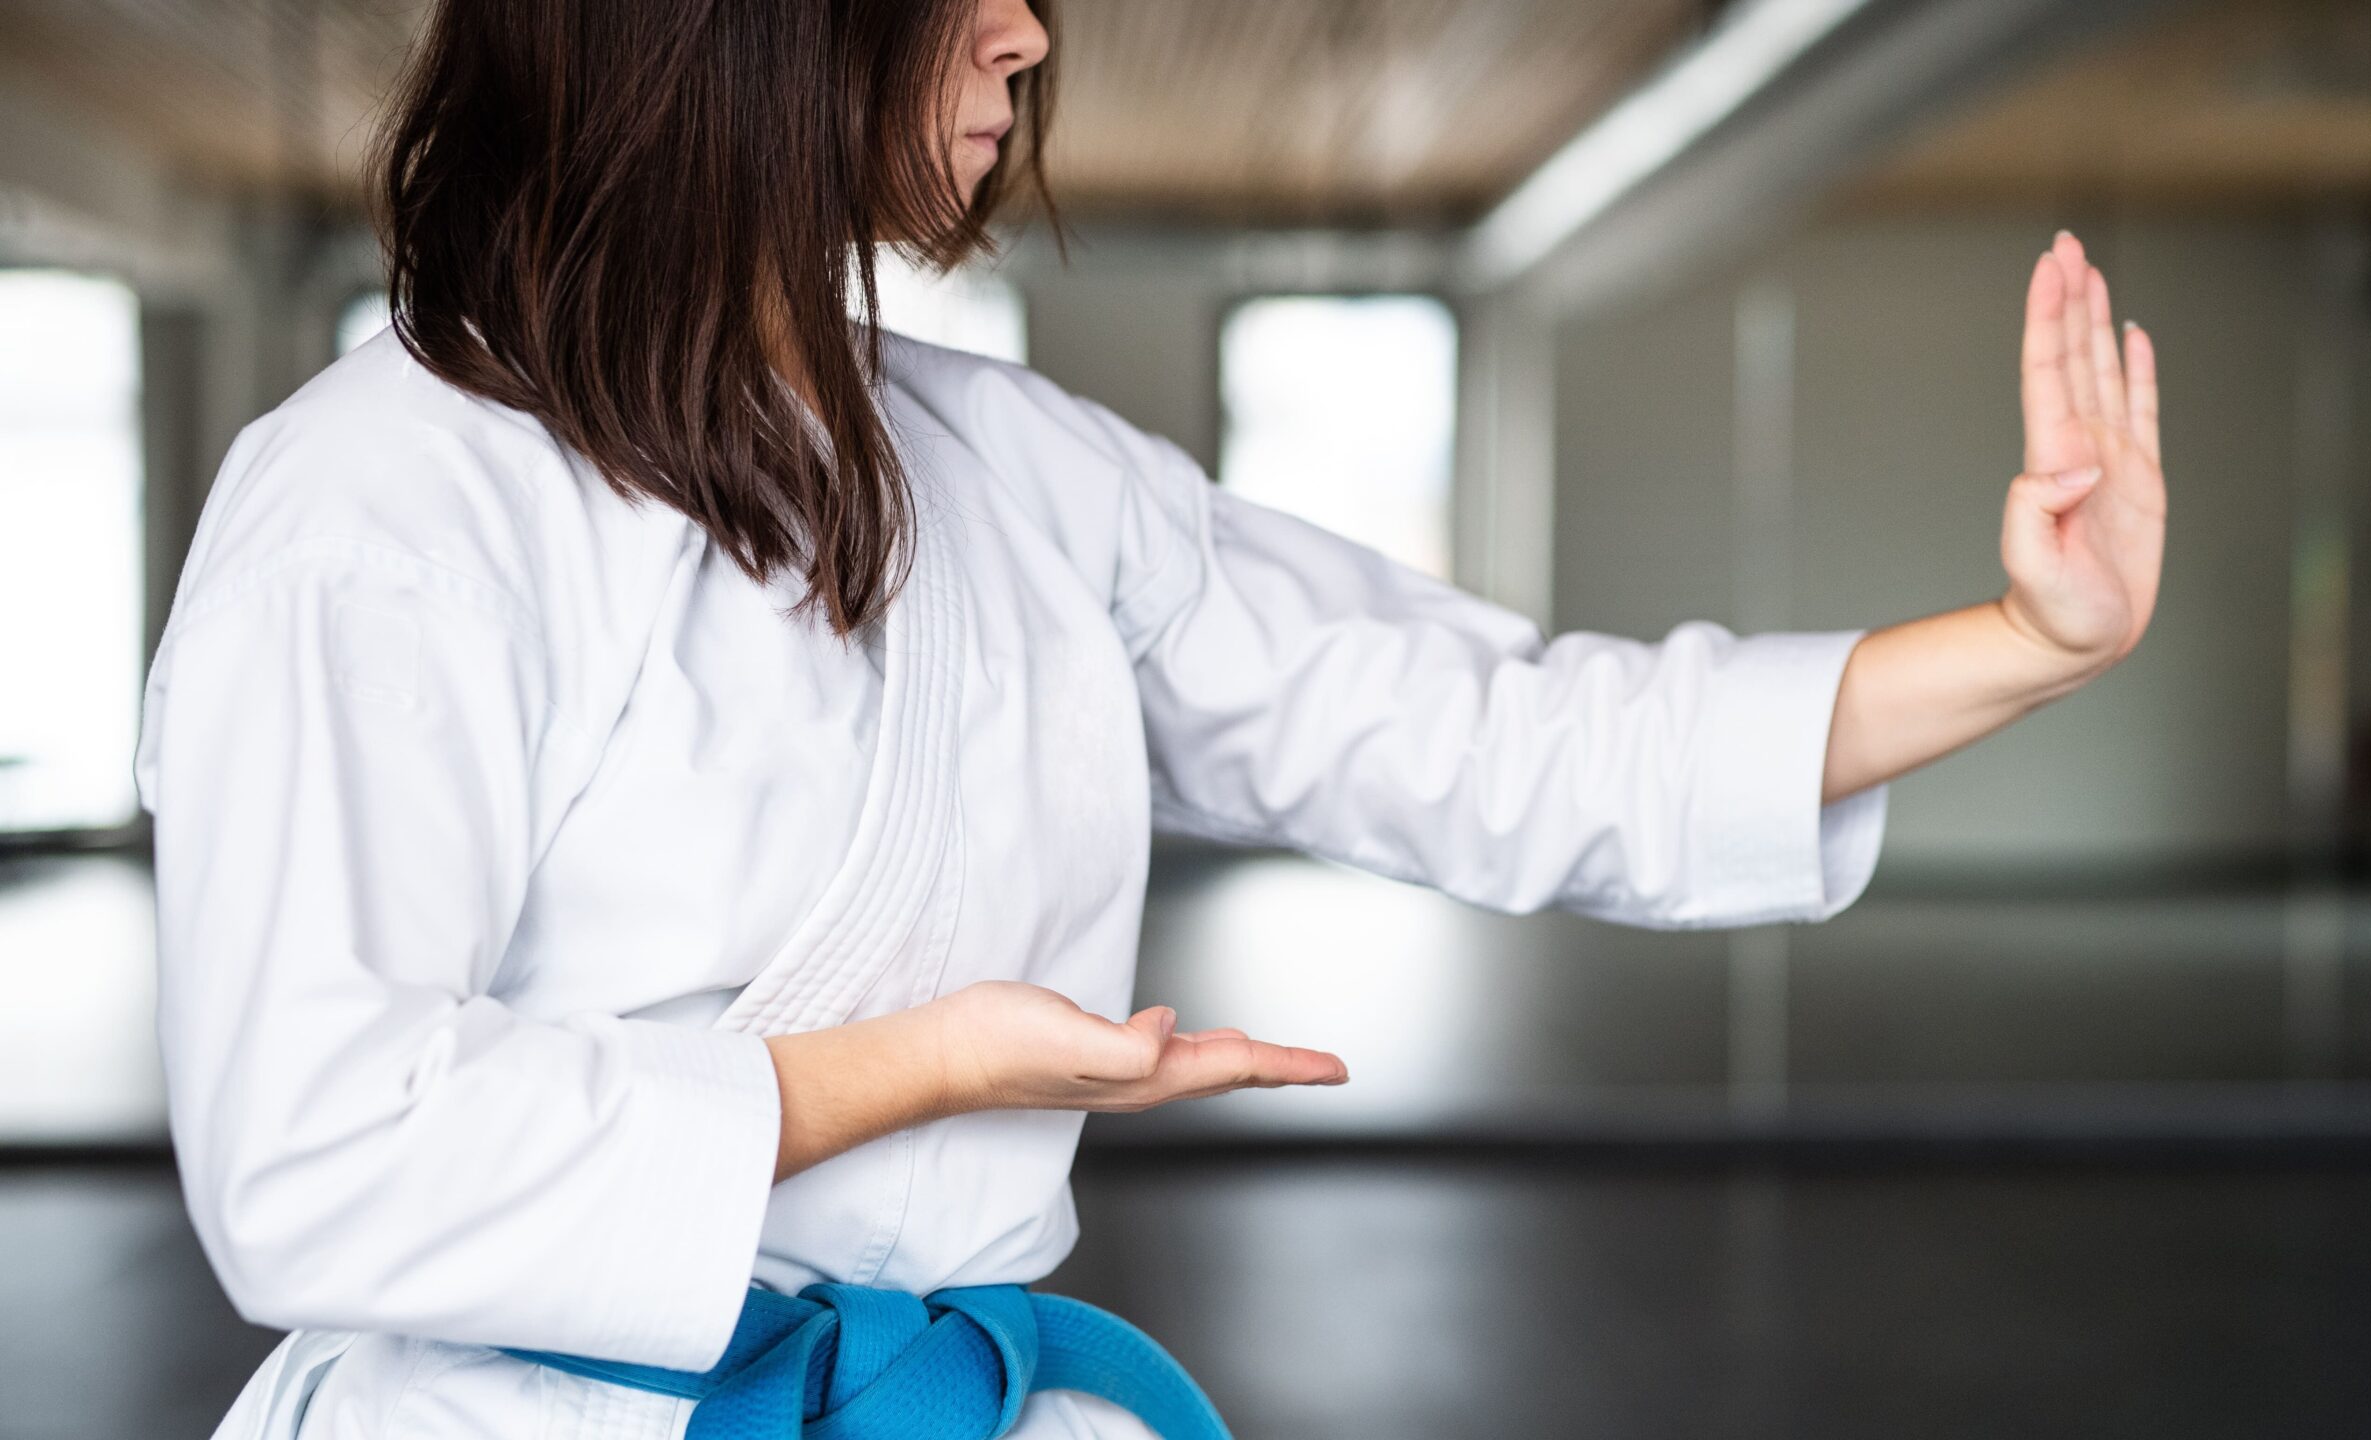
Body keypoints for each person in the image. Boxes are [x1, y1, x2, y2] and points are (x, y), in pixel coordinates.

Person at [130, 0, 2167, 1435]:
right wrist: (919, 1066)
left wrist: (2024, 640)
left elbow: (1488, 735)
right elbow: (316, 1148)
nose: (1022, 35)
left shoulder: (1012, 468)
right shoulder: (381, 499)